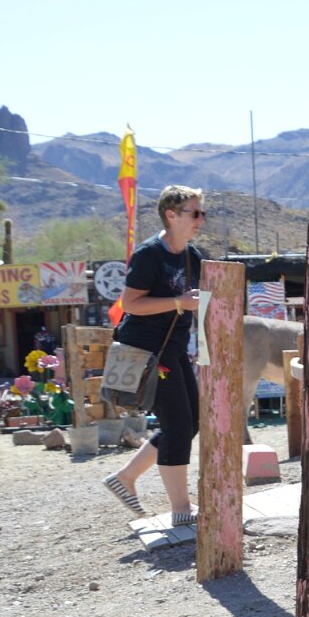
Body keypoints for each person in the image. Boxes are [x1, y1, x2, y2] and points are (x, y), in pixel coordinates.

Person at [101, 185, 206, 527]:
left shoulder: (193, 257)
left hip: (173, 350)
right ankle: (181, 509)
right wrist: (178, 302)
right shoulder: (149, 254)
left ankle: (126, 477)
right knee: (178, 424)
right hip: (145, 352)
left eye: (202, 213)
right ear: (171, 215)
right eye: (194, 213)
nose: (200, 220)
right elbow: (130, 304)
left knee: (191, 422)